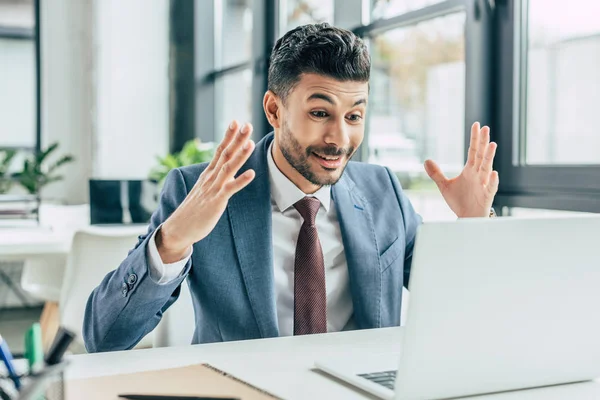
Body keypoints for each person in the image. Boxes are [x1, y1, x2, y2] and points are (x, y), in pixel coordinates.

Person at [83, 23, 499, 353]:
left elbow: (460, 314)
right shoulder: (201, 190)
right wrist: (173, 239)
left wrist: (472, 225)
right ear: (274, 109)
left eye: (354, 116)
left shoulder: (382, 190)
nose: (339, 138)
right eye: (320, 112)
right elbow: (105, 338)